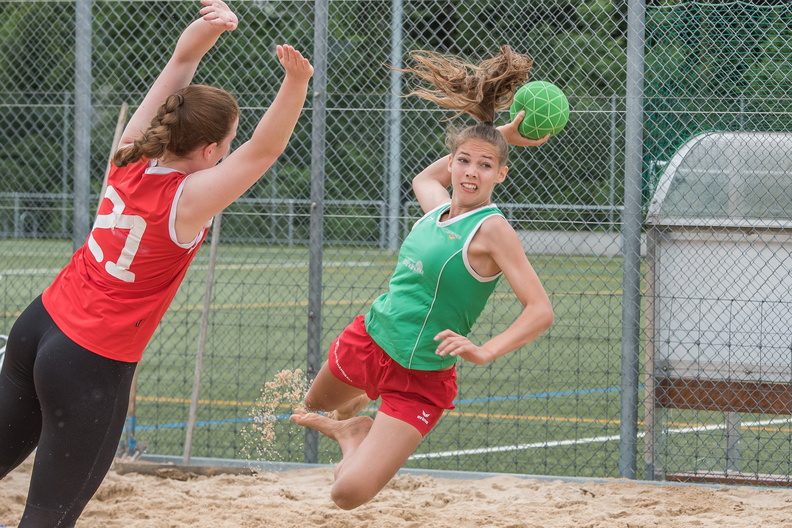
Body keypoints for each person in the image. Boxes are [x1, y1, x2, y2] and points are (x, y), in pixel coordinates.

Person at [0, 1, 313, 525]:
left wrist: (206, 32)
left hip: (40, 324)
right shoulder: (187, 200)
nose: (229, 150)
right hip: (88, 358)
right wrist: (297, 82)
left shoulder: (129, 154)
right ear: (209, 150)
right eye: (226, 143)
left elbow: (179, 64)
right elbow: (263, 151)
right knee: (48, 516)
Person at [290, 46, 554, 510]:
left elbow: (541, 310)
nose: (472, 172)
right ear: (451, 165)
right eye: (464, 161)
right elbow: (423, 178)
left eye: (486, 165)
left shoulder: (492, 230)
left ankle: (354, 434)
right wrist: (500, 134)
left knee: (345, 494)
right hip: (370, 339)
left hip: (420, 376)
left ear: (501, 174)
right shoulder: (436, 209)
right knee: (316, 404)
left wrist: (485, 350)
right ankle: (351, 418)